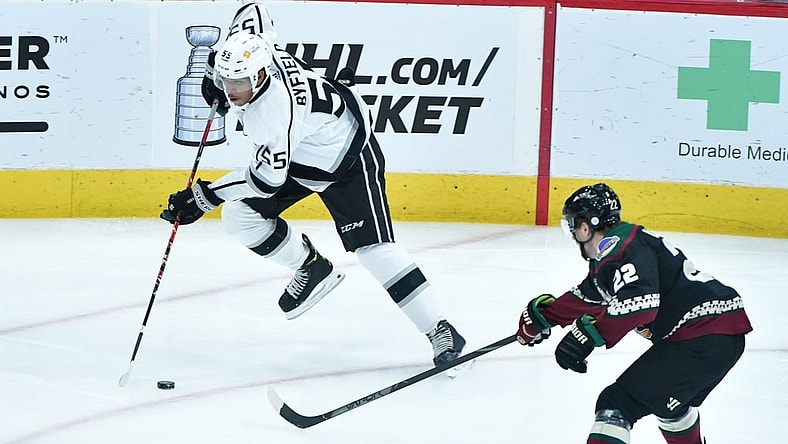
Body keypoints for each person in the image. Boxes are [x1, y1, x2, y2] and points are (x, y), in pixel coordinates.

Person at [160, 3, 466, 367]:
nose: (232, 89)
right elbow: (253, 10)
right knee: (240, 216)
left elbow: (265, 180)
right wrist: (215, 73)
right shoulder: (259, 49)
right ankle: (312, 266)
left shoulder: (271, 116)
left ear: (261, 75)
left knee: (374, 250)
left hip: (347, 156)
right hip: (304, 149)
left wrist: (205, 196)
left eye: (239, 82)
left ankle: (440, 329)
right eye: (228, 80)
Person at [516, 183, 752, 444]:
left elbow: (642, 303)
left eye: (574, 226)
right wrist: (545, 317)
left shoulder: (620, 247)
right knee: (669, 406)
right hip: (720, 334)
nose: (573, 235)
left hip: (701, 336)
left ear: (586, 226)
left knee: (617, 404)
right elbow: (590, 294)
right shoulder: (621, 246)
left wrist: (588, 334)